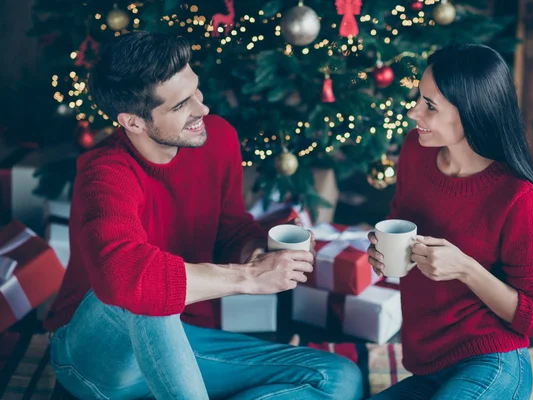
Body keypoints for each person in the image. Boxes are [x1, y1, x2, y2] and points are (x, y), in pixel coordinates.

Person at [44, 31, 363, 400]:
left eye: (196, 91)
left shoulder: (219, 138)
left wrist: (256, 250)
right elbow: (123, 275)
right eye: (180, 106)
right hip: (95, 356)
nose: (202, 109)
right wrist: (249, 277)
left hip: (183, 342)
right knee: (147, 286)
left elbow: (229, 228)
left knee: (338, 377)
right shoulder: (105, 172)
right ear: (133, 122)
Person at [367, 44, 533, 400]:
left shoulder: (518, 198)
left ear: (472, 112)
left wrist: (466, 269)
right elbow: (399, 218)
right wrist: (382, 251)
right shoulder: (415, 151)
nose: (414, 113)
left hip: (494, 360)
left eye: (430, 106)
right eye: (418, 99)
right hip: (428, 366)